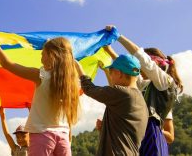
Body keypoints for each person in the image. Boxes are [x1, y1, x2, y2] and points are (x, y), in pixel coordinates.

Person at [0, 35, 80, 156]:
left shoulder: (42, 76)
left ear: (52, 56)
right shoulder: (71, 83)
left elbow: (7, 64)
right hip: (63, 136)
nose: (41, 59)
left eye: (43, 54)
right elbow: (75, 66)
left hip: (42, 136)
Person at [109, 26, 183, 155]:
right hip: (139, 136)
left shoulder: (165, 82)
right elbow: (128, 70)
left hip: (153, 136)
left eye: (139, 65)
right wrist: (109, 50)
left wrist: (119, 37)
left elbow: (141, 57)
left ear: (154, 64)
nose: (137, 69)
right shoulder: (144, 85)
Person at [76, 52, 149, 155]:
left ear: (119, 73)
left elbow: (89, 89)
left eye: (111, 71)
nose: (110, 75)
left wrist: (78, 67)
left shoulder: (122, 93)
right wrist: (105, 128)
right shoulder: (141, 101)